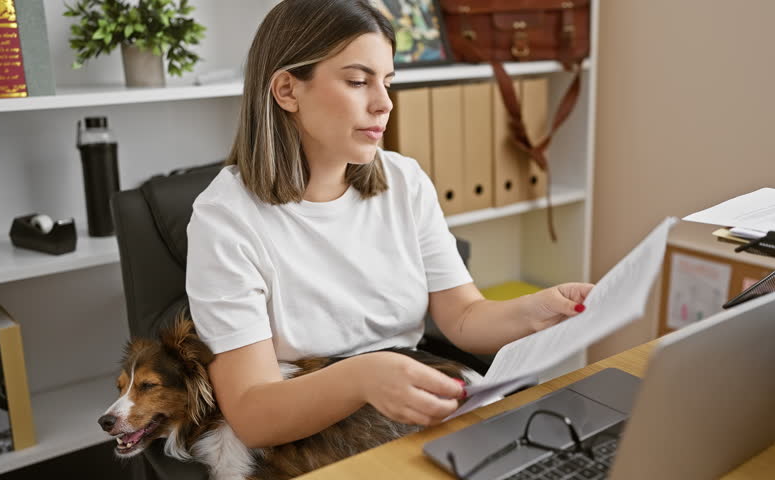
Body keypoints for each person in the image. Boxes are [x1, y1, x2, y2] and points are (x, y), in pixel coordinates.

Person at [186, 0, 594, 451]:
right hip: (304, 430)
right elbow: (253, 413)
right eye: (358, 81)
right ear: (287, 90)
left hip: (407, 397)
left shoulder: (404, 181)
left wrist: (535, 311)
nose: (384, 103)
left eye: (387, 82)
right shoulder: (225, 218)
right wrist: (363, 377)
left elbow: (462, 316)